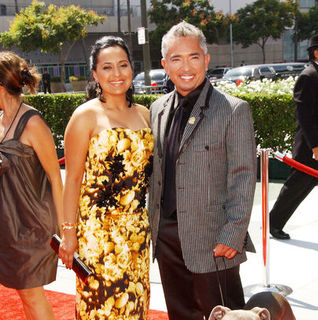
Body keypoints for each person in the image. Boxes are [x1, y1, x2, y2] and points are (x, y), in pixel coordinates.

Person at [148, 21, 257, 320]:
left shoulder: (233, 110)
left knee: (225, 314)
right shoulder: (156, 109)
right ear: (165, 64)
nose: (186, 66)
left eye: (193, 57)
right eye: (176, 58)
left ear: (206, 60)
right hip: (166, 237)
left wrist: (233, 234)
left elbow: (244, 177)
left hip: (214, 240)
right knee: (180, 313)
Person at [59, 36, 153, 320]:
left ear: (132, 69)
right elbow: (72, 180)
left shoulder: (146, 115)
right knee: (99, 307)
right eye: (107, 67)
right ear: (95, 74)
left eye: (123, 65)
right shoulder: (85, 116)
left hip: (137, 232)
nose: (117, 74)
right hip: (97, 236)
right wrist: (68, 233)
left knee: (135, 306)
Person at [0, 52, 63, 319]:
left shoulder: (33, 123)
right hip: (9, 225)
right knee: (24, 296)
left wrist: (66, 230)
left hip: (32, 226)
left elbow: (54, 177)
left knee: (32, 296)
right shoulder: (1, 121)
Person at [269, 34, 318, 240]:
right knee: (296, 187)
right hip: (311, 147)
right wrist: (316, 146)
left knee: (302, 186)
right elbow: (304, 116)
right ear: (316, 52)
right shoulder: (308, 76)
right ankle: (273, 223)